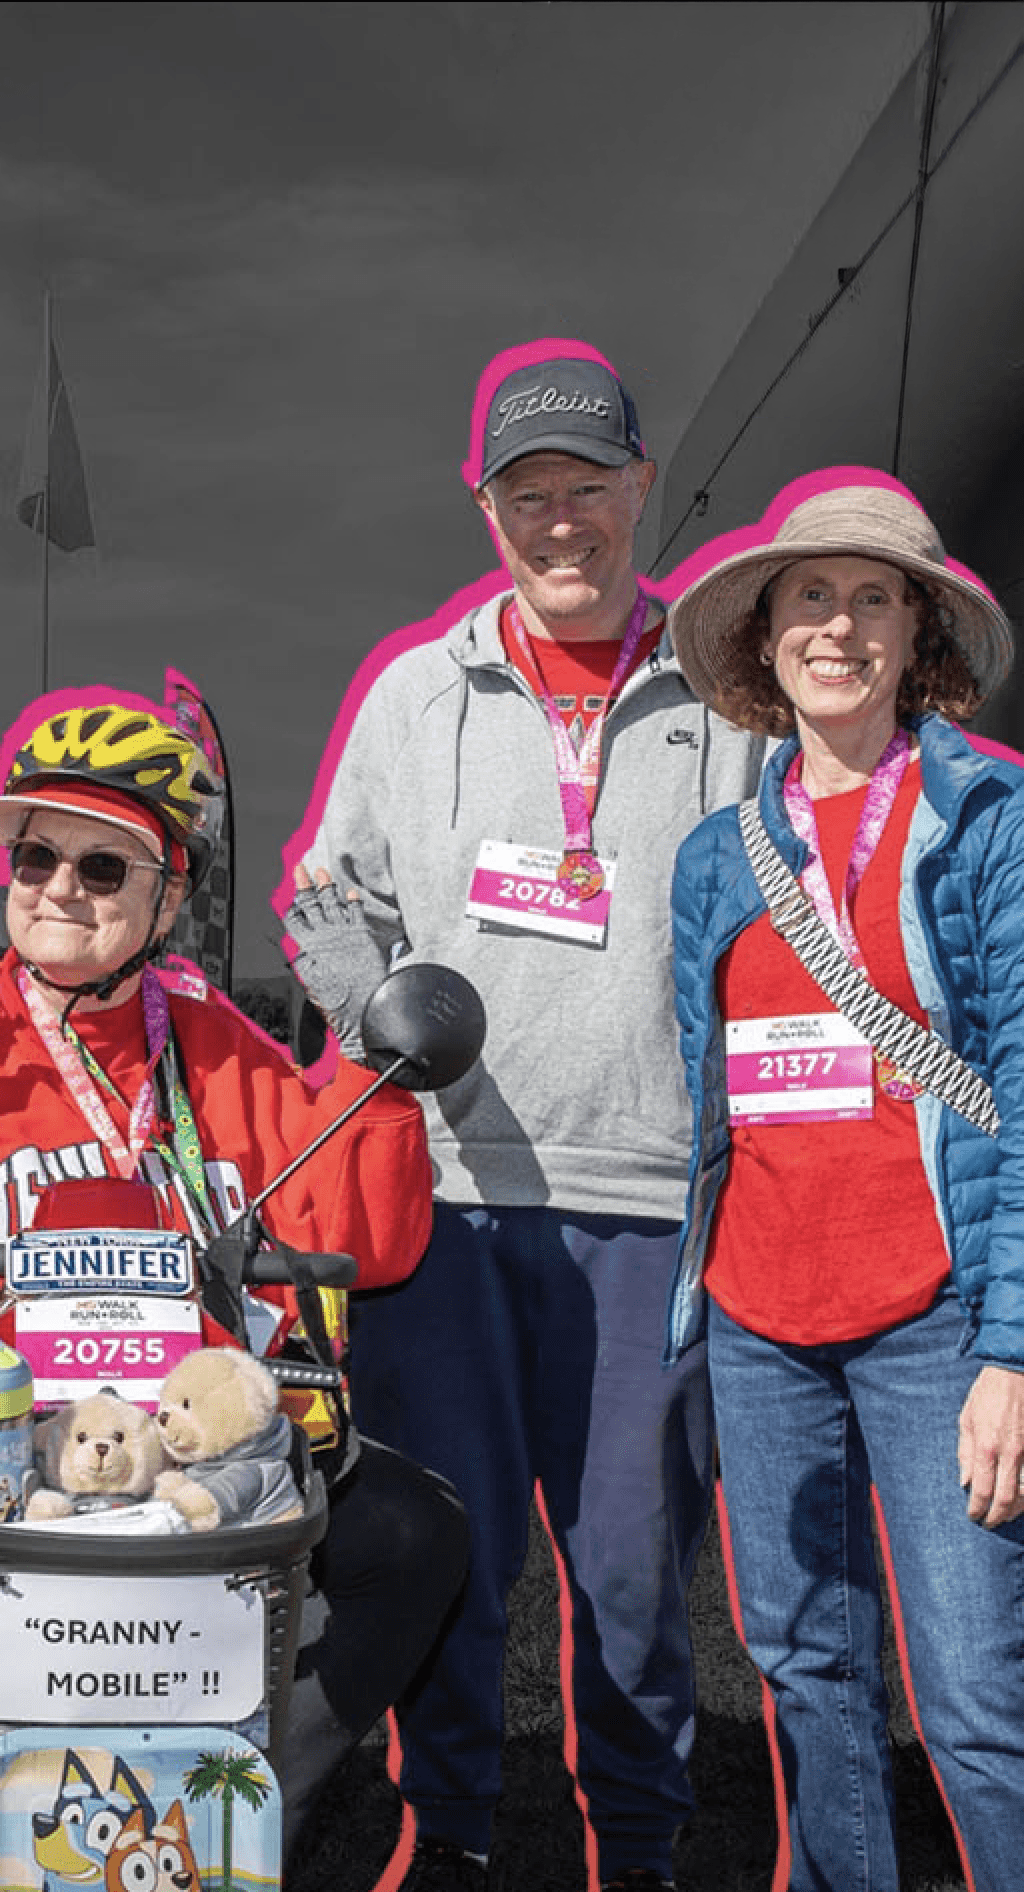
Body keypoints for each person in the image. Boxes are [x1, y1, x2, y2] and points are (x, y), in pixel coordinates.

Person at [0, 698, 466, 1892]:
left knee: (414, 1530)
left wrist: (360, 1051)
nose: (60, 887)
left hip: (161, 1409)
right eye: (35, 855)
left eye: (101, 862)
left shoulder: (217, 1044)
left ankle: (222, 1824)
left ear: (167, 897)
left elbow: (365, 1242)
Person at [281, 342, 768, 1891]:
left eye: (588, 488)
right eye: (527, 494)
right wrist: (387, 1022)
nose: (562, 522)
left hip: (650, 1205)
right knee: (455, 1559)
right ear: (487, 507)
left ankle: (639, 1842)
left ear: (643, 487)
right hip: (449, 1199)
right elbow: (323, 900)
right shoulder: (418, 693)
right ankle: (461, 1839)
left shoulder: (727, 691)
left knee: (629, 1572)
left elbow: (793, 909)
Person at [664, 473, 1024, 1891]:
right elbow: (714, 1100)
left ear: (916, 630)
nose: (840, 625)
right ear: (764, 635)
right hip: (761, 1316)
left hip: (938, 1314)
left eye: (874, 597)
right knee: (803, 1670)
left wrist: (1013, 1349)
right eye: (810, 595)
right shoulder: (714, 858)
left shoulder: (991, 818)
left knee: (978, 1699)